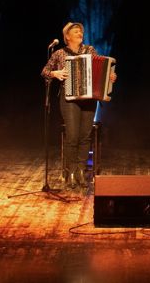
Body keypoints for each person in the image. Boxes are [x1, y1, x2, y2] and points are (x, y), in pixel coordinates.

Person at [42, 22, 116, 189]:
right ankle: (71, 171)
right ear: (67, 36)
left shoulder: (89, 50)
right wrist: (55, 73)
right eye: (75, 31)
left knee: (85, 136)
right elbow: (44, 71)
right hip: (70, 100)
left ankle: (81, 171)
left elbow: (102, 69)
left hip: (89, 99)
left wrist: (110, 76)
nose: (79, 33)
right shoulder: (59, 53)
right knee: (73, 136)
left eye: (81, 31)